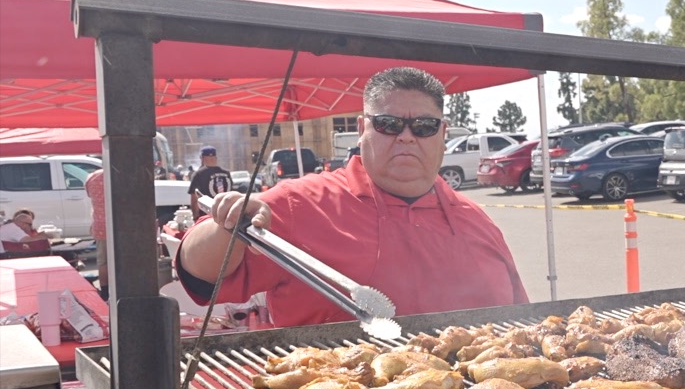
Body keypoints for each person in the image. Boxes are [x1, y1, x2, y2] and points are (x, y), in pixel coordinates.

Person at [177, 67, 529, 327]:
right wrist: (225, 226)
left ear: (443, 133)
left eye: (423, 127)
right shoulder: (301, 203)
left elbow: (522, 323)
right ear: (362, 130)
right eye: (389, 124)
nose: (407, 137)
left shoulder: (476, 221)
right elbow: (198, 273)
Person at [85, 170, 109, 298]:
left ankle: (105, 291)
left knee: (103, 261)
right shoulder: (122, 174)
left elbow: (90, 196)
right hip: (121, 224)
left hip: (100, 224)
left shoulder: (93, 177)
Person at [188, 146, 233, 212]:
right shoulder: (227, 173)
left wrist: (195, 217)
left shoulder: (198, 174)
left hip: (207, 215)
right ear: (216, 158)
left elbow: (194, 199)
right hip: (225, 214)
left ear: (202, 158)